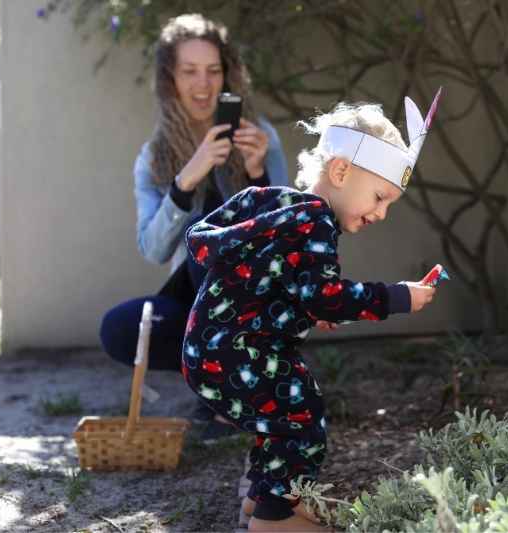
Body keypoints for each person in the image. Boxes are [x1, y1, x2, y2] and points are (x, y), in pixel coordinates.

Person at [181, 90, 442, 531]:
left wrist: (304, 308)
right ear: (341, 170)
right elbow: (325, 295)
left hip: (212, 350)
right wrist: (397, 297)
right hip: (242, 353)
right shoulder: (316, 221)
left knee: (283, 418)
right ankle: (273, 519)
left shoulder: (276, 204)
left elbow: (272, 285)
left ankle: (267, 500)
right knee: (301, 420)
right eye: (379, 197)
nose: (380, 213)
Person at [99, 13, 289, 441]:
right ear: (170, 79)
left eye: (213, 71)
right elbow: (153, 249)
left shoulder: (262, 139)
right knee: (118, 329)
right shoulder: (154, 158)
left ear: (227, 75)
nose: (203, 85)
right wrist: (187, 179)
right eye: (189, 72)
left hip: (258, 303)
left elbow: (289, 239)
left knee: (217, 249)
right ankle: (223, 387)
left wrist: (258, 174)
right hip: (197, 304)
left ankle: (234, 394)